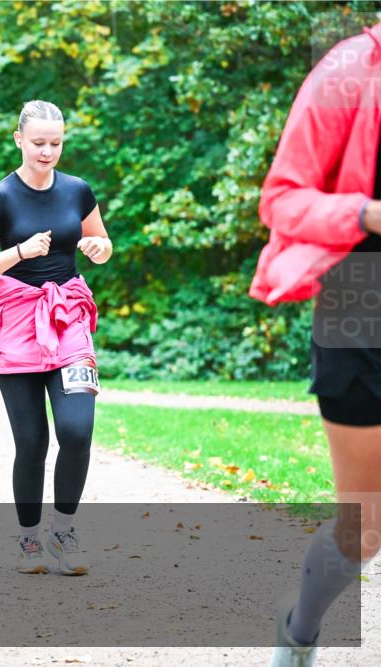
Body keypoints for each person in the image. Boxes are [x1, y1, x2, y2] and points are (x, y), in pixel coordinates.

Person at [248, 22, 381, 667]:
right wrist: (366, 213)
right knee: (366, 528)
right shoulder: (349, 70)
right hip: (362, 303)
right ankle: (299, 629)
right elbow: (281, 199)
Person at [0, 100, 113, 575]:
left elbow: (102, 246)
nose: (48, 152)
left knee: (77, 430)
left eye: (56, 143)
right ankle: (28, 540)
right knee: (32, 440)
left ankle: (63, 532)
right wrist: (18, 252)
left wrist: (97, 247)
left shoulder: (78, 191)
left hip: (69, 318)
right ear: (19, 139)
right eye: (39, 143)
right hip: (19, 324)